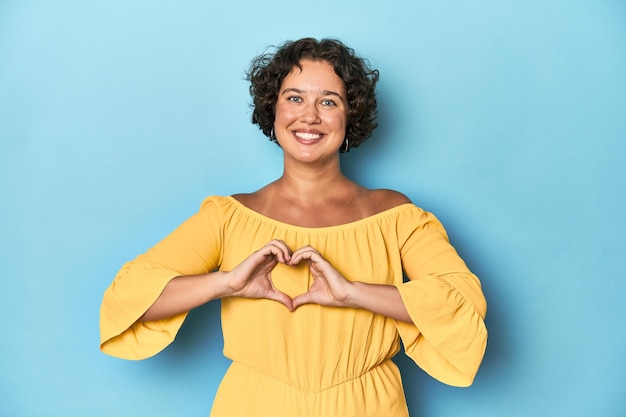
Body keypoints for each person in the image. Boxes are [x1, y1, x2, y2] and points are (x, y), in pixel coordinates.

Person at [100, 37, 487, 417]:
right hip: (254, 405)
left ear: (351, 114)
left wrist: (353, 293)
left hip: (366, 407)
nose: (310, 116)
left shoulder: (395, 215)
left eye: (329, 101)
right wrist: (226, 283)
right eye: (295, 97)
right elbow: (129, 297)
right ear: (274, 109)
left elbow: (463, 304)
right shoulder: (228, 216)